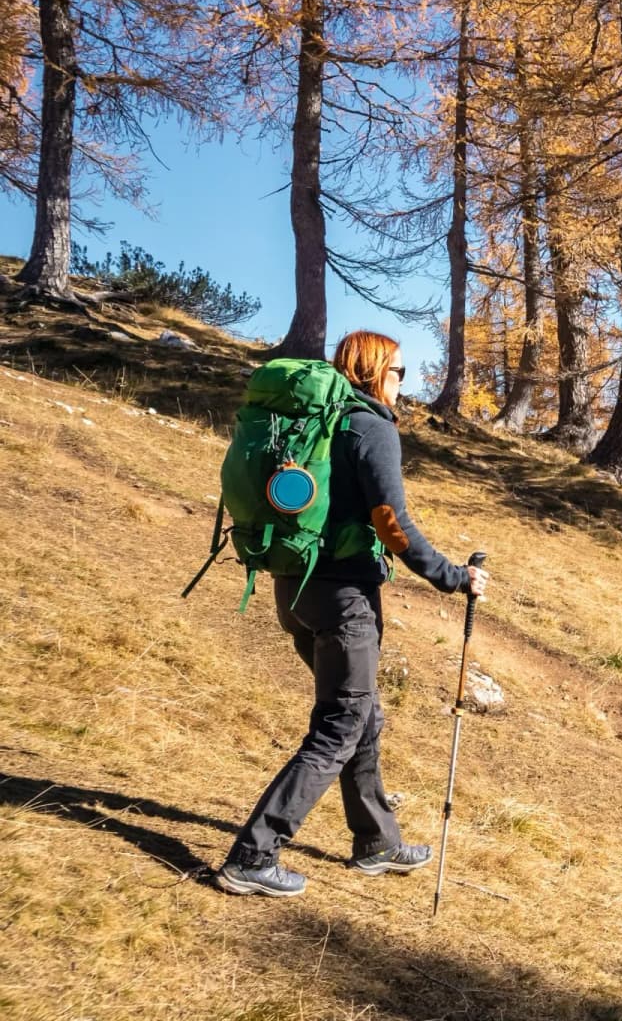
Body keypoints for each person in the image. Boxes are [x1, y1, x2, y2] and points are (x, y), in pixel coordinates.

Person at [218, 330, 489, 897]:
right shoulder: (370, 426)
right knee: (339, 727)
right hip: (344, 602)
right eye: (399, 372)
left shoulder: (324, 422)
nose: (402, 384)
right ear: (374, 372)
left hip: (295, 590)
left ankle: (376, 841)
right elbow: (393, 525)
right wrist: (455, 578)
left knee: (362, 717)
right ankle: (252, 855)